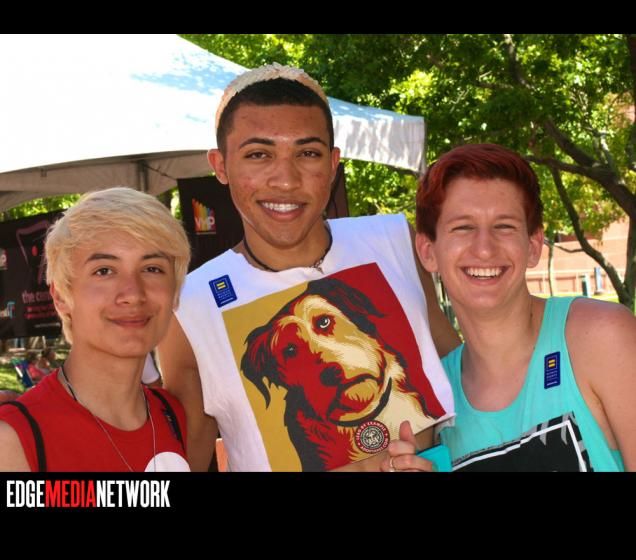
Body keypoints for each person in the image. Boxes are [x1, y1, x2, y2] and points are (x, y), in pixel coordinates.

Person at [158, 63, 461, 472]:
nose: (285, 180)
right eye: (258, 155)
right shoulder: (190, 305)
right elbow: (186, 456)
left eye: (308, 153)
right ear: (221, 165)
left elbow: (460, 371)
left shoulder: (391, 240)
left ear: (334, 163)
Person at [415, 143, 636, 471]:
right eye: (463, 227)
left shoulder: (600, 337)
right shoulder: (432, 399)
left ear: (533, 246)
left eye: (504, 226)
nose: (484, 249)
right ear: (429, 251)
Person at [0, 187, 192, 472]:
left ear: (174, 292)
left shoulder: (173, 415)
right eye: (104, 271)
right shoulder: (14, 439)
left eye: (152, 268)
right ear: (60, 296)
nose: (133, 294)